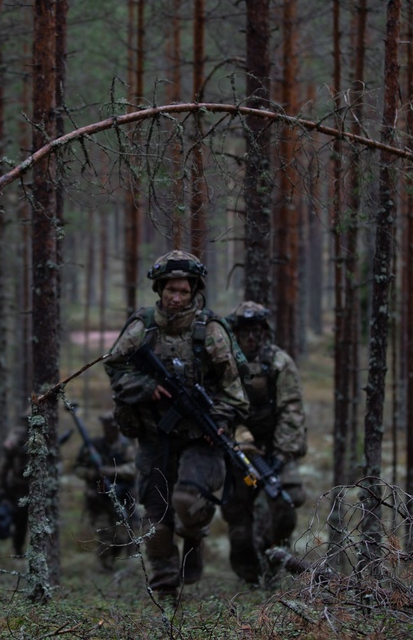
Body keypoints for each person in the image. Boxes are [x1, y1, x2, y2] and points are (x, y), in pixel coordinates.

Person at [104, 249, 249, 597]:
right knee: (156, 518)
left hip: (201, 437)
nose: (176, 297)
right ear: (160, 289)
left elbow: (234, 390)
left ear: (194, 291)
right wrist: (146, 388)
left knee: (189, 499)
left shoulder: (211, 332)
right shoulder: (142, 327)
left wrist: (216, 422)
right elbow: (114, 366)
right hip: (155, 436)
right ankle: (166, 591)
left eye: (184, 291)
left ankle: (195, 538)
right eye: (171, 290)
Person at [221, 300, 308, 584]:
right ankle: (249, 577)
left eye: (256, 329)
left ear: (264, 331)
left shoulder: (279, 362)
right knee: (238, 517)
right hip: (238, 454)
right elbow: (218, 406)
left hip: (273, 451)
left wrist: (281, 456)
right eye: (244, 330)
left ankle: (274, 561)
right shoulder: (223, 362)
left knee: (288, 501)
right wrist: (240, 441)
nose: (251, 336)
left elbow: (292, 410)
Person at [72, 411, 140, 571]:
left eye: (112, 427)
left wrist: (111, 471)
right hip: (99, 499)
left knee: (123, 535)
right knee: (104, 534)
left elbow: (134, 468)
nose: (109, 430)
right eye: (106, 427)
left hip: (122, 497)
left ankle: (116, 559)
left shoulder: (126, 446)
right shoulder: (93, 446)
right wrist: (93, 473)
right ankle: (105, 566)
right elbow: (78, 468)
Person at [0, 419, 30, 557]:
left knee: (25, 521)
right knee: (18, 520)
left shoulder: (46, 434)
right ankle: (17, 550)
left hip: (35, 487)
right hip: (18, 487)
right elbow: (5, 465)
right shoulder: (19, 435)